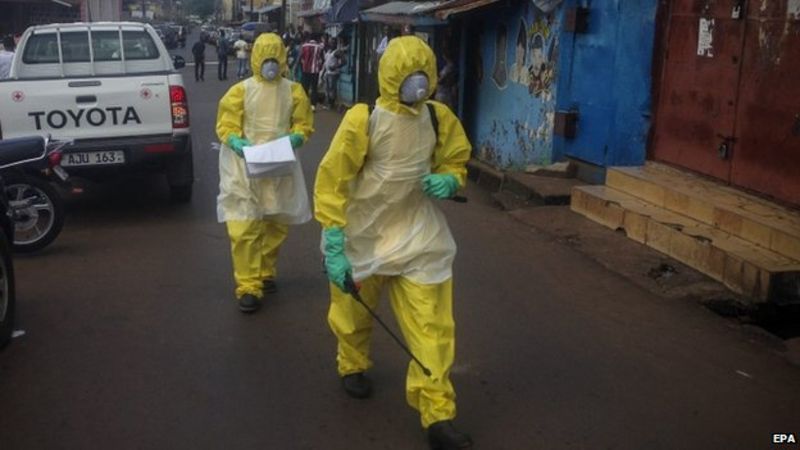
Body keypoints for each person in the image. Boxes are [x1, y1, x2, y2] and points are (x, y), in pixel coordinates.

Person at [314, 36, 473, 449]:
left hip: (418, 235)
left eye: (423, 76)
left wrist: (451, 179)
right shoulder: (363, 120)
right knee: (353, 315)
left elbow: (455, 159)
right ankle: (352, 363)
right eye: (409, 77)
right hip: (363, 234)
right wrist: (333, 239)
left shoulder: (437, 118)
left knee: (432, 327)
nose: (418, 85)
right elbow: (333, 179)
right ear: (390, 76)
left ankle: (438, 413)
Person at [215, 33, 314, 313]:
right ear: (256, 57)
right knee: (243, 224)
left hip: (279, 164)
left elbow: (303, 122)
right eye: (266, 57)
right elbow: (227, 124)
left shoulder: (293, 90)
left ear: (282, 57)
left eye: (275, 58)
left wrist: (297, 137)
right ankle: (248, 285)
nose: (271, 64)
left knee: (275, 221)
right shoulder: (240, 91)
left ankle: (265, 271)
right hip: (243, 165)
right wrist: (235, 140)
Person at [299, 33, 323, 109]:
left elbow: (301, 57)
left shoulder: (304, 46)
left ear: (309, 38)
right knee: (314, 88)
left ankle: (305, 104)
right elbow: (322, 59)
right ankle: (313, 105)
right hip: (315, 71)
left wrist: (302, 65)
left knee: (305, 87)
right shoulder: (319, 47)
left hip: (305, 70)